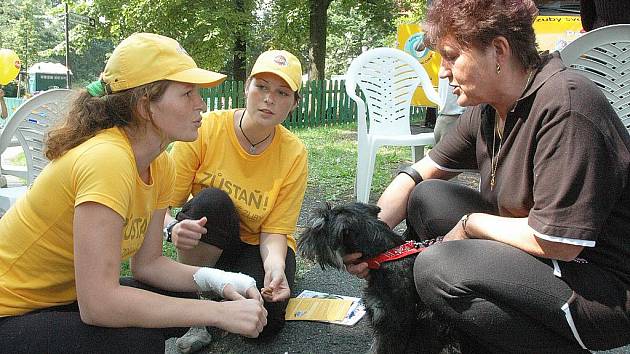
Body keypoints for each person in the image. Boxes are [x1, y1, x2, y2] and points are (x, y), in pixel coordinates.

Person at [344, 0, 630, 352]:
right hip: (545, 258)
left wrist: (471, 224)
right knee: (427, 197)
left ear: (498, 50)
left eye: (451, 56)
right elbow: (418, 175)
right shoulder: (489, 109)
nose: (444, 71)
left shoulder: (566, 106)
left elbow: (560, 243)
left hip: (600, 290)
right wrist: (375, 242)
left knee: (436, 269)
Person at [0, 33, 268, 353]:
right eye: (187, 93)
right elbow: (99, 304)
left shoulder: (161, 164)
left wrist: (222, 281)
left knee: (180, 301)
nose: (201, 103)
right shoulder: (107, 159)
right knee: (137, 342)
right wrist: (218, 313)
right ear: (145, 105)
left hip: (59, 299)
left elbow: (149, 264)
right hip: (10, 312)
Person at [165, 49, 307, 352]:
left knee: (263, 325)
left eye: (282, 92)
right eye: (262, 87)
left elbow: (275, 230)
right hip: (210, 240)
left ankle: (224, 293)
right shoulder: (205, 130)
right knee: (212, 202)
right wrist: (171, 229)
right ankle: (196, 308)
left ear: (294, 104)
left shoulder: (294, 153)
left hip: (256, 246)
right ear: (247, 87)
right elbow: (158, 205)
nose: (269, 99)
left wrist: (275, 268)